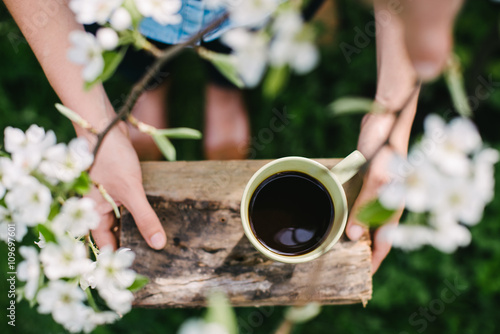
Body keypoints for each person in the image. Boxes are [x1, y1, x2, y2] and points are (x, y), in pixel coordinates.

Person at [4, 0, 463, 273]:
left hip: (255, 10)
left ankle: (223, 91)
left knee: (242, 50)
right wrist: (94, 124)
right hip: (123, 8)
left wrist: (390, 117)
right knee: (128, 51)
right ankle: (148, 87)